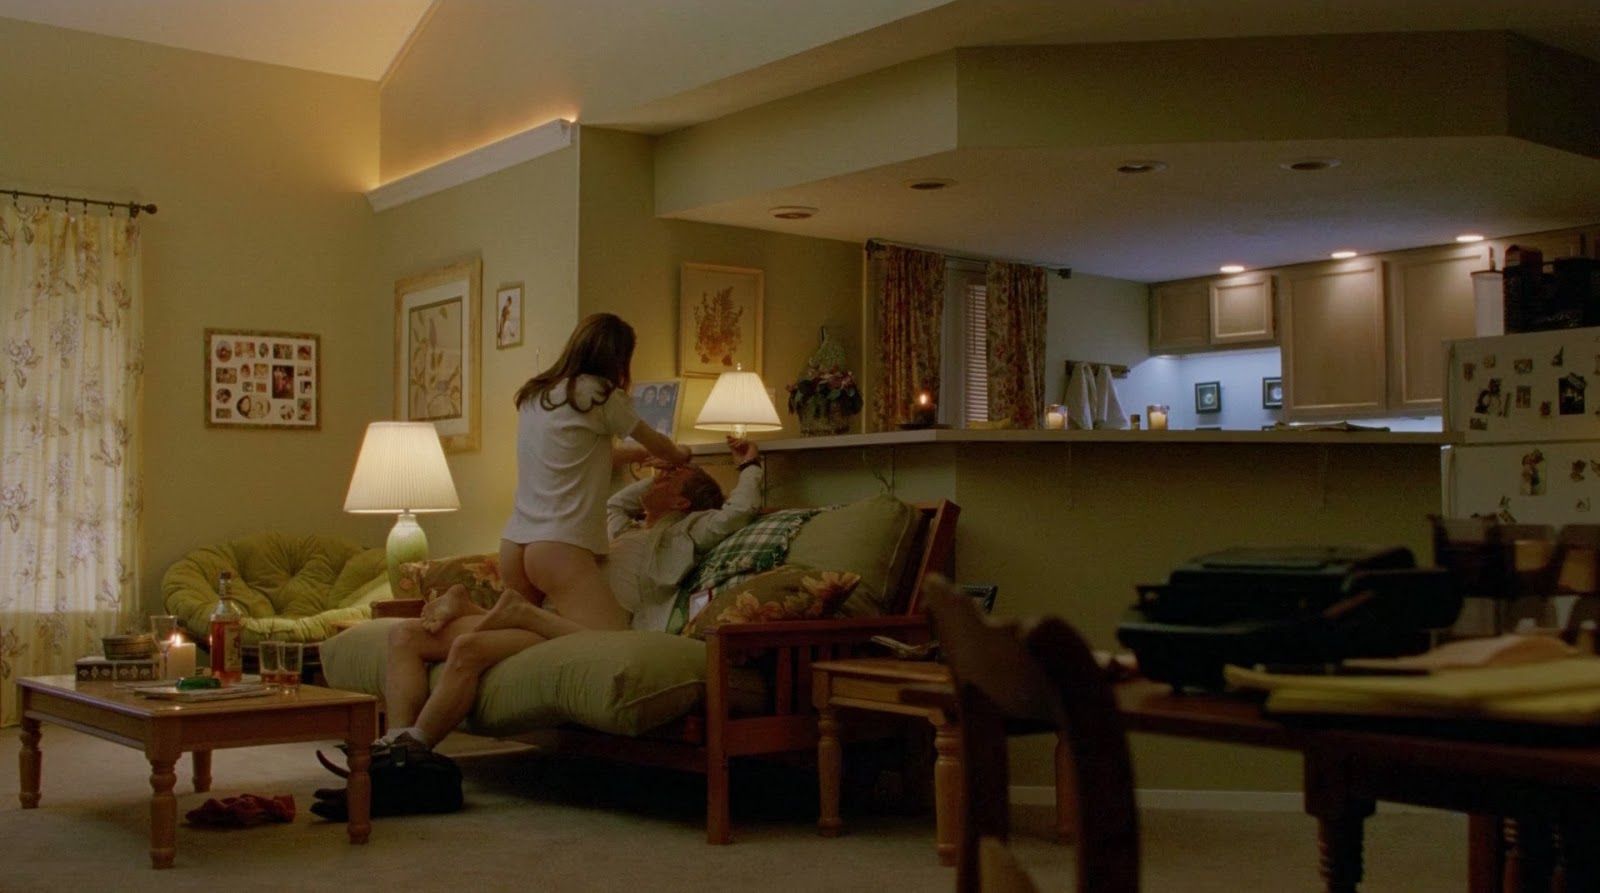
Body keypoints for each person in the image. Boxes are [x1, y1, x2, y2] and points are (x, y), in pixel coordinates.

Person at [313, 440, 764, 819]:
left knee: (468, 648)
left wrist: (749, 465)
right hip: (555, 615)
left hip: (592, 626)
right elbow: (616, 501)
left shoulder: (688, 529)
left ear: (684, 503)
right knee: (405, 637)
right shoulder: (620, 528)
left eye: (670, 480)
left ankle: (406, 759)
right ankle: (393, 749)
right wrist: (660, 467)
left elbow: (739, 511)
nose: (658, 480)